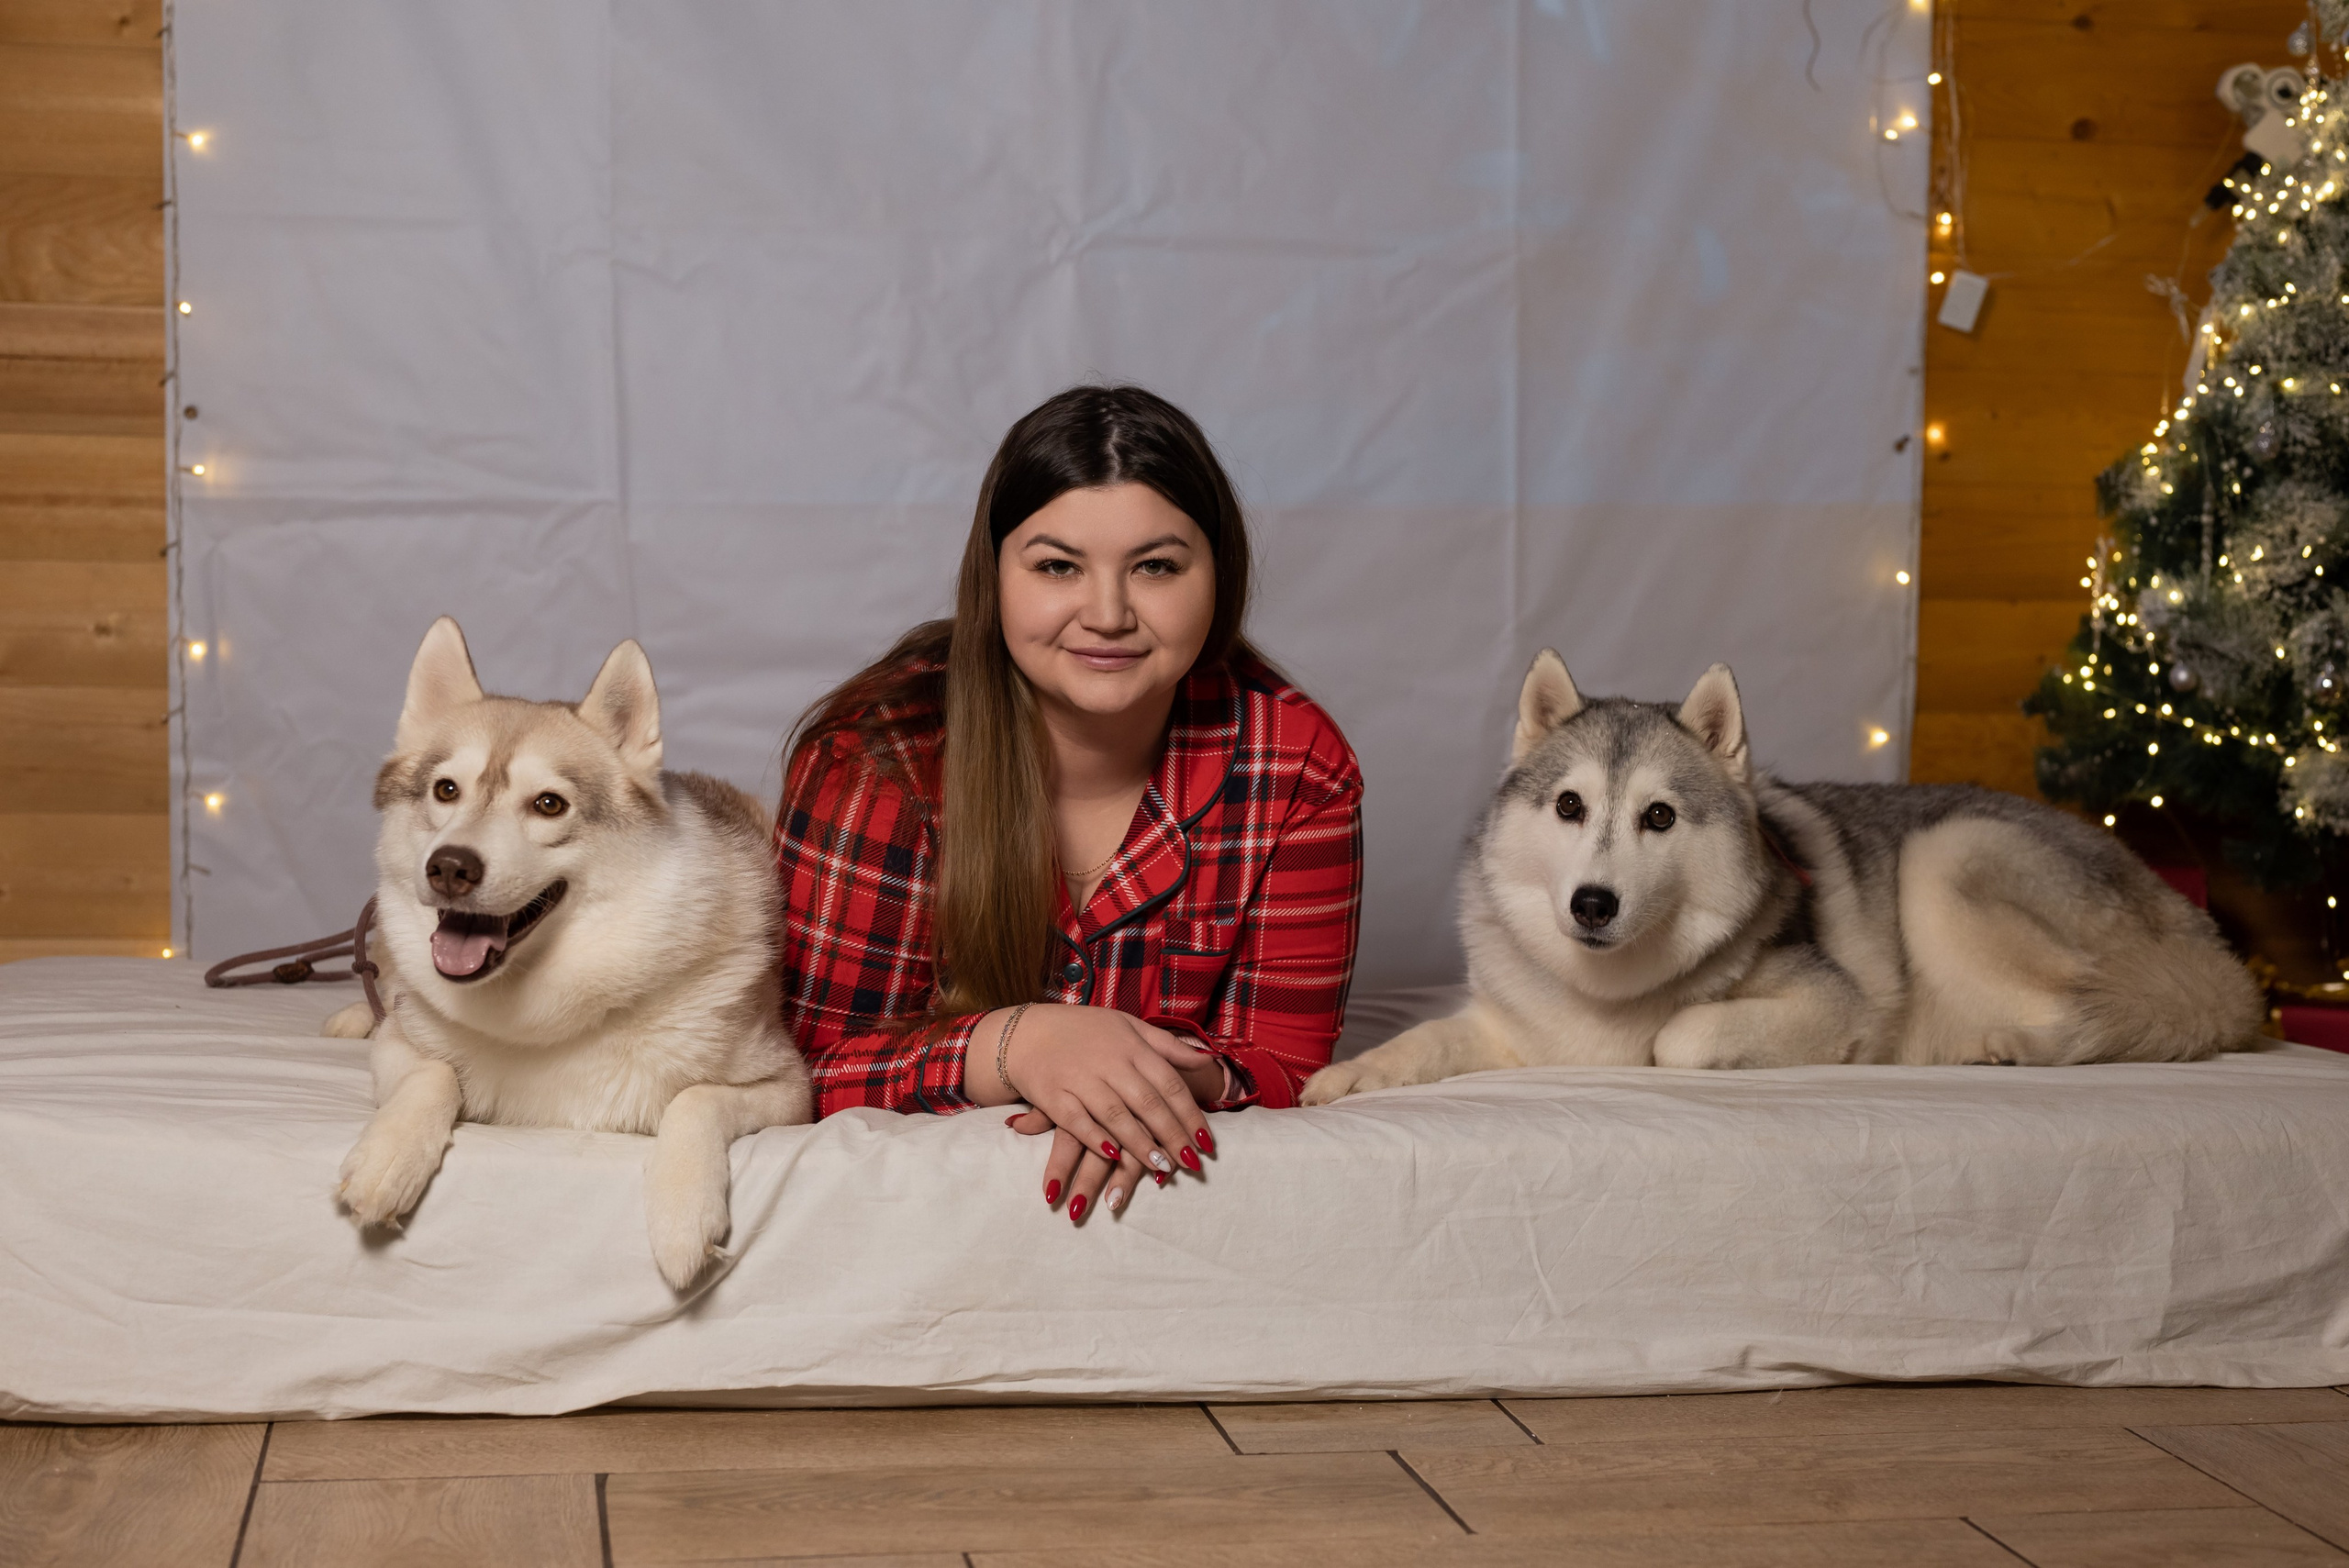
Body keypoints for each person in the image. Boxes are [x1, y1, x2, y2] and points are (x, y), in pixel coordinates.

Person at [774, 384, 1364, 1225]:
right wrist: (1020, 1045)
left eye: (1156, 566)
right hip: (909, 1232)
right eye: (1058, 566)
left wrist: (1131, 1078)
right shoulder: (877, 758)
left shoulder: (1298, 766)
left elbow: (1287, 1064)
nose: (1109, 614)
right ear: (995, 576)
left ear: (1218, 576)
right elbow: (798, 1066)